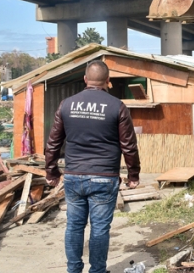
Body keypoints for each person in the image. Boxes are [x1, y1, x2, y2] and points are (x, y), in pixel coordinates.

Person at [45, 60, 140, 273]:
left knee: (74, 226)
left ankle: (74, 270)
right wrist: (133, 175)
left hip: (74, 176)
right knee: (99, 229)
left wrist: (51, 171)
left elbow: (53, 142)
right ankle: (97, 271)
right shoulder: (117, 106)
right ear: (108, 81)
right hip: (104, 177)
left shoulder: (67, 104)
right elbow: (129, 146)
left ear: (85, 79)